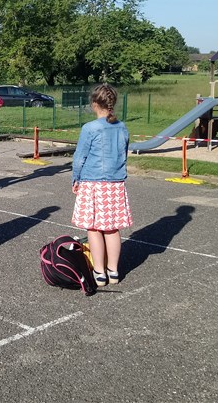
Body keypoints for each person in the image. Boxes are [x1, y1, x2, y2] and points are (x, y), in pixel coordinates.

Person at [70, 83, 131, 287]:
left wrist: (75, 178)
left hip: (93, 181)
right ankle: (113, 271)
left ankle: (99, 271)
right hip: (115, 182)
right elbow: (124, 153)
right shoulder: (122, 127)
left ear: (94, 103)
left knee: (94, 228)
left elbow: (80, 157)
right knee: (112, 229)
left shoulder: (90, 128)